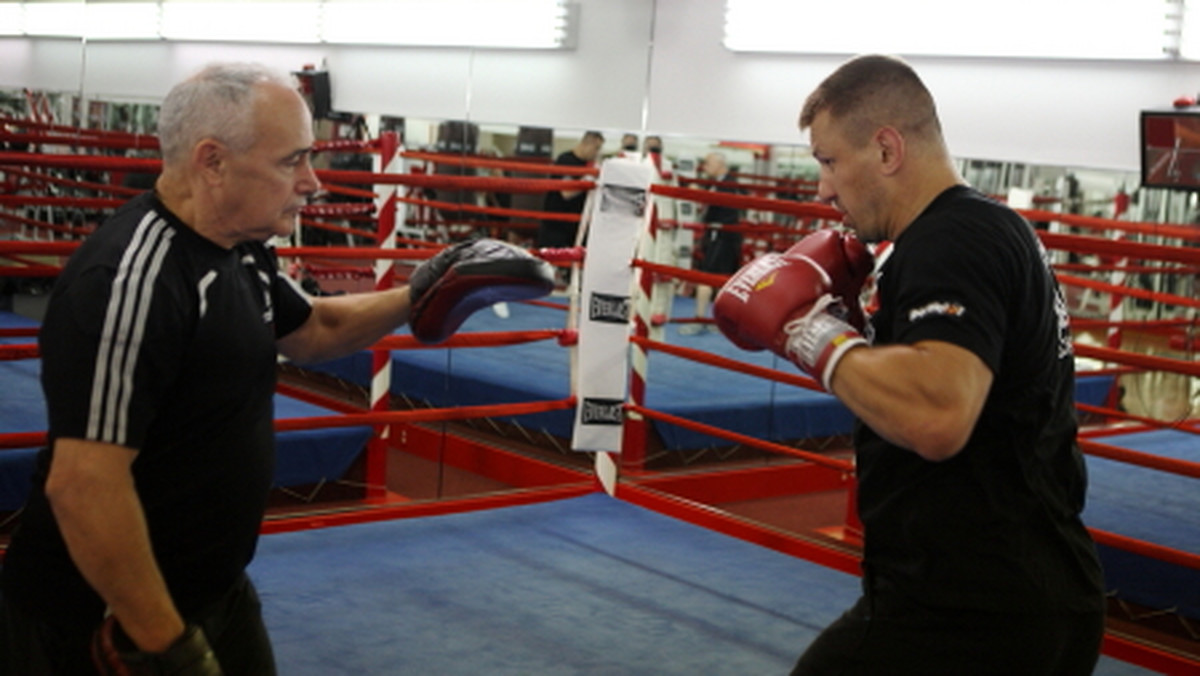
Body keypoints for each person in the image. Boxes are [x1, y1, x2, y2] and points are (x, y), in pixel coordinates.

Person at [0, 63, 552, 675]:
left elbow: (315, 329)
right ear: (212, 162)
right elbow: (84, 485)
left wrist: (422, 286)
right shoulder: (133, 281)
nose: (312, 182)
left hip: (214, 590)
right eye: (292, 161)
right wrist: (163, 642)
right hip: (104, 616)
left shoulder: (242, 250)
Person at [713, 54, 1105, 675]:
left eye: (829, 160)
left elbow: (938, 415)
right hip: (1032, 592)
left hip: (965, 616)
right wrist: (853, 329)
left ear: (887, 149)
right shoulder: (993, 225)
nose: (822, 186)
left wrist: (809, 333)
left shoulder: (948, 244)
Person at [680, 151, 742, 335]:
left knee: (707, 277)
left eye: (708, 163)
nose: (705, 166)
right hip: (724, 235)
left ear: (720, 164)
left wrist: (698, 194)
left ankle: (700, 319)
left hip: (722, 235)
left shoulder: (728, 184)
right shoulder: (724, 182)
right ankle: (715, 321)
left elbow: (718, 204)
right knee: (720, 279)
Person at [536, 130, 604, 249]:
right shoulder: (565, 160)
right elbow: (566, 193)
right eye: (596, 148)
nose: (597, 153)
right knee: (553, 262)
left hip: (574, 224)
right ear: (586, 143)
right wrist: (589, 179)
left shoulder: (587, 164)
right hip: (556, 224)